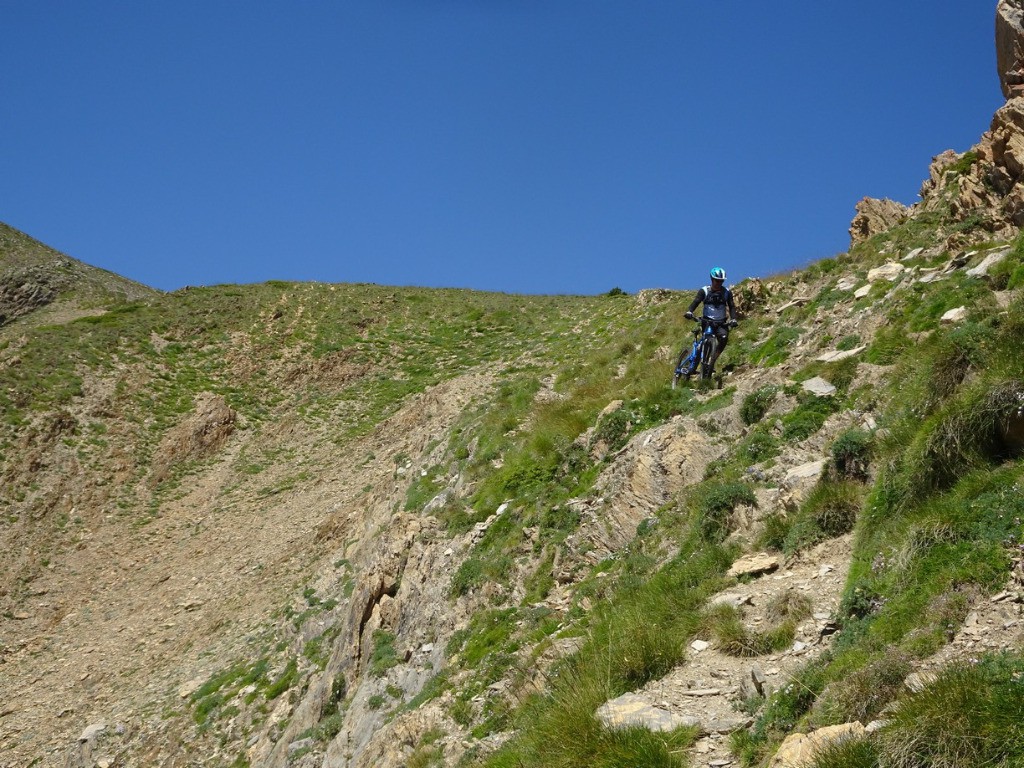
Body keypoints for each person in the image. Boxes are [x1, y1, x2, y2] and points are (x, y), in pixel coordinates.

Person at [675, 267, 738, 377]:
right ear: (711, 279)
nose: (719, 283)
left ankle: (711, 361)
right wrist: (689, 311)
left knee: (723, 339)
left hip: (721, 322)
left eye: (721, 281)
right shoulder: (704, 291)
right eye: (717, 280)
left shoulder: (727, 292)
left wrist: (733, 319)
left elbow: (732, 306)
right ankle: (696, 365)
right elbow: (696, 302)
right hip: (707, 322)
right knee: (705, 342)